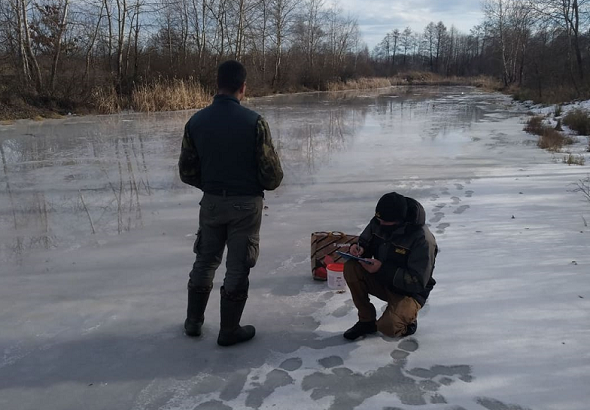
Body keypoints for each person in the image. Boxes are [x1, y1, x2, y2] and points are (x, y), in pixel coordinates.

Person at [178, 60, 283, 346]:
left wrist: (212, 186)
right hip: (246, 206)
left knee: (205, 260)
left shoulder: (196, 121)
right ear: (243, 87)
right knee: (238, 267)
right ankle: (229, 330)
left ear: (217, 85)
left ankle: (193, 322)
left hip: (211, 203)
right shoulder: (255, 122)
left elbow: (186, 172)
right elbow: (272, 177)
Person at [343, 192, 437, 340]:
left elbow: (418, 282)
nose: (380, 224)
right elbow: (365, 240)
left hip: (410, 293)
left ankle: (408, 320)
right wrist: (359, 248)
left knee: (389, 327)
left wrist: (381, 269)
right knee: (351, 267)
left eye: (385, 222)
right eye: (378, 219)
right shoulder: (380, 220)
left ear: (400, 220)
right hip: (382, 279)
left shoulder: (423, 240)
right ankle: (366, 321)